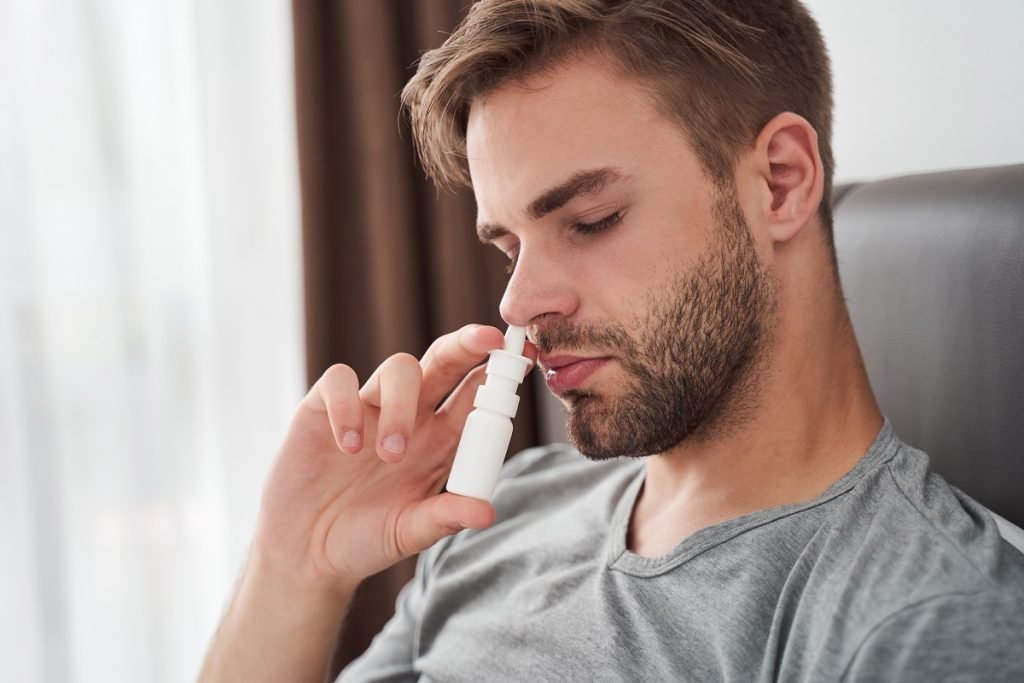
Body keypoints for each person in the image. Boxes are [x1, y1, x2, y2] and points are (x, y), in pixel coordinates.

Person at [199, 1, 1024, 680]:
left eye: (590, 221)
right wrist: (294, 562)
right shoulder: (507, 508)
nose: (519, 302)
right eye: (509, 245)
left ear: (780, 181)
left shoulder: (918, 623)